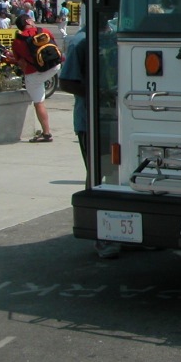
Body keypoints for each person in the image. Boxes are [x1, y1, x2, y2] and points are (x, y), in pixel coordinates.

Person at [59, 20, 121, 258]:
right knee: (98, 176)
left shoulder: (116, 35)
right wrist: (99, 93)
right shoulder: (80, 42)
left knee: (119, 176)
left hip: (119, 118)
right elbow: (67, 81)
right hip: (92, 121)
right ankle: (101, 234)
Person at [5, 13, 61, 143]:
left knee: (39, 102)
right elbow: (55, 47)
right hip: (54, 67)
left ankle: (46, 133)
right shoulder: (43, 31)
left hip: (34, 74)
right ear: (28, 21)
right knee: (40, 84)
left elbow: (21, 63)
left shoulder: (18, 41)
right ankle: (46, 133)